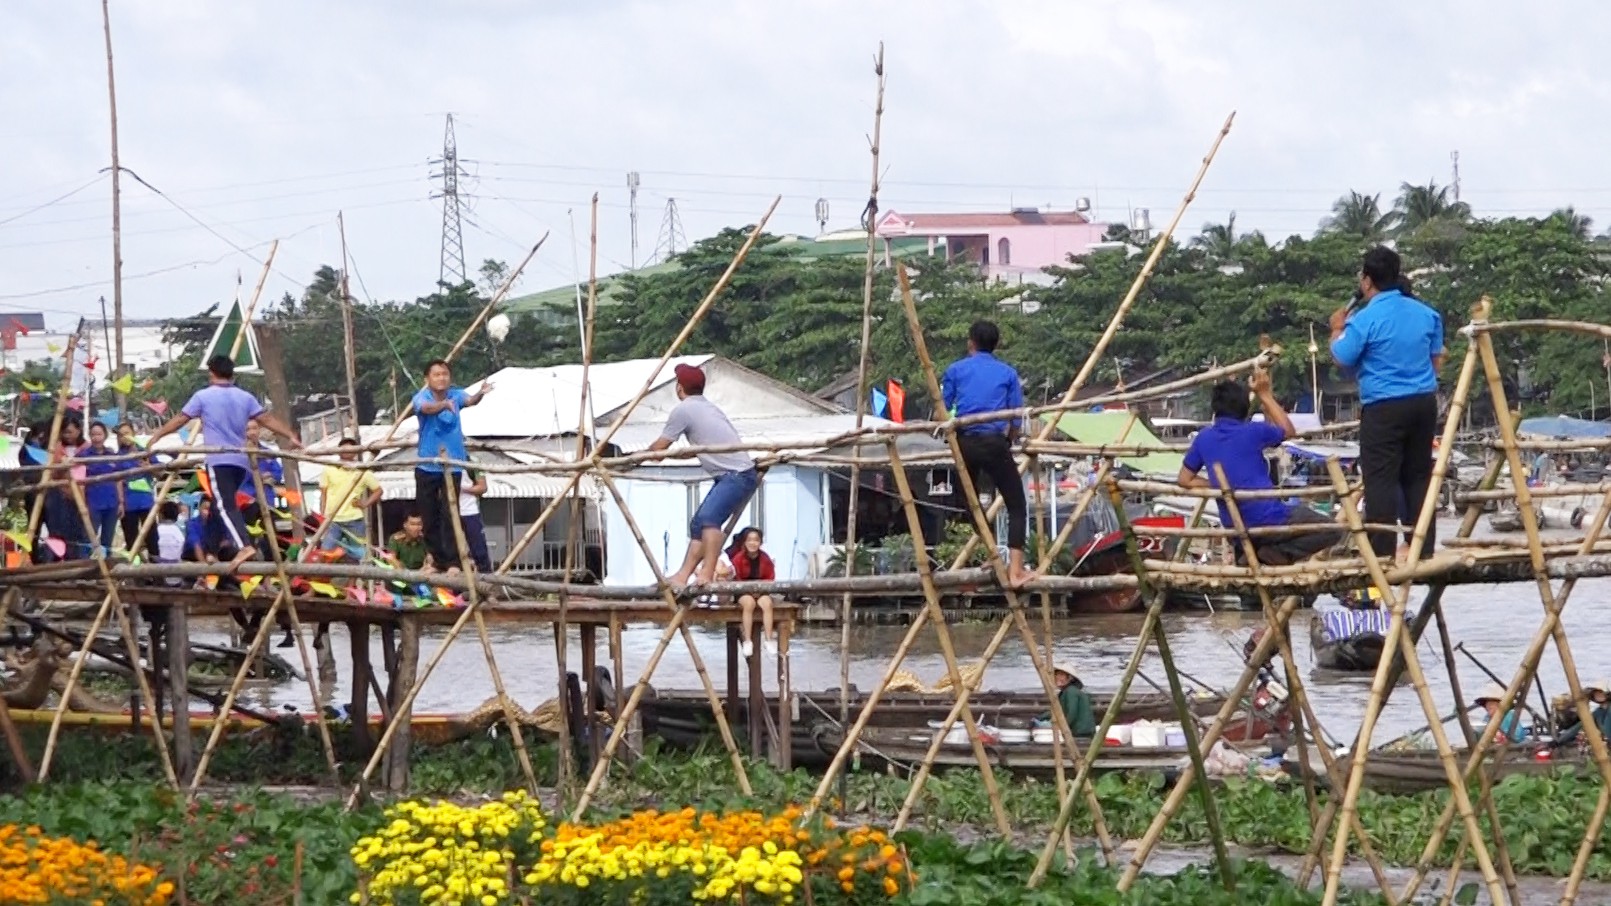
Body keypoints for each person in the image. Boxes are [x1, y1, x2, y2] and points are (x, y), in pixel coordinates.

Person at [1330, 246, 1444, 561]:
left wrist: (1337, 329)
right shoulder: (1427, 314)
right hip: (1422, 402)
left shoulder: (1365, 319)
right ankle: (1423, 545)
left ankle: (1382, 551)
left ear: (1367, 281)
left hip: (1384, 404)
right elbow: (1436, 360)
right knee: (1418, 474)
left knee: (1380, 478)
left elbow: (1342, 357)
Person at [147, 355, 302, 571]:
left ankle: (244, 545)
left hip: (219, 460)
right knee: (218, 505)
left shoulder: (203, 396)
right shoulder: (245, 397)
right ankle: (211, 550)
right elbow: (266, 419)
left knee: (224, 504)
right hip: (240, 463)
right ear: (232, 374)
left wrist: (158, 435)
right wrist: (290, 435)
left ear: (211, 373)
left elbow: (181, 419)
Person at [1178, 374, 1346, 565]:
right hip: (1270, 518)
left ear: (1215, 409)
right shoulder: (1253, 431)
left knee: (1253, 589)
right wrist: (1265, 395)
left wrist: (1220, 486)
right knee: (1333, 530)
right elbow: (1288, 430)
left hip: (1236, 528)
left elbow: (1185, 479)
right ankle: (1278, 553)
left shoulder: (1204, 437)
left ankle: (1259, 557)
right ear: (1244, 409)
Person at [941, 320, 1034, 587]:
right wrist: (1009, 439)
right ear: (996, 345)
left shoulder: (955, 370)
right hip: (994, 442)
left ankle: (993, 554)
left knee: (970, 502)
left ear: (971, 342)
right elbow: (1015, 418)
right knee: (1016, 504)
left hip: (965, 441)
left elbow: (944, 406)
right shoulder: (1007, 373)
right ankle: (1016, 570)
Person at [649, 363, 758, 588]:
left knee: (709, 521)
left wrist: (638, 456)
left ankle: (707, 573)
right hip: (734, 474)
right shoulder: (708, 407)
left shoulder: (684, 410)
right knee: (698, 524)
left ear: (680, 388)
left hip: (736, 474)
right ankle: (682, 576)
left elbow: (659, 450)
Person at [412, 359, 493, 573]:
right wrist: (443, 406)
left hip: (453, 466)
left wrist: (481, 393)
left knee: (451, 515)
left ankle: (454, 562)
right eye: (437, 374)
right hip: (428, 465)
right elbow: (427, 409)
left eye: (445, 374)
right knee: (429, 517)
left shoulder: (456, 395)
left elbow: (471, 400)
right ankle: (438, 560)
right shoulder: (422, 397)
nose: (441, 378)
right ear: (427, 379)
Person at [319, 437, 382, 563]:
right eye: (344, 449)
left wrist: (365, 504)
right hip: (333, 518)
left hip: (354, 518)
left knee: (356, 553)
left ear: (356, 452)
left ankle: (354, 581)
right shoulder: (329, 469)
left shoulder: (363, 471)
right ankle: (325, 578)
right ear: (338, 451)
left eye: (351, 449)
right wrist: (322, 515)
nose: (347, 452)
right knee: (326, 551)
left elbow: (378, 491)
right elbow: (323, 494)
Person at [41, 416, 90, 561]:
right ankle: (55, 563)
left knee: (77, 532)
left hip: (80, 496)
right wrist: (62, 467)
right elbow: (50, 472)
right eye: (64, 432)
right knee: (57, 531)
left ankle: (76, 562)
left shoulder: (86, 449)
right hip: (58, 494)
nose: (67, 435)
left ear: (79, 430)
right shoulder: (55, 448)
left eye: (70, 432)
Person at [726, 526, 777, 659]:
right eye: (749, 540)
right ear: (744, 542)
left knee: (767, 604)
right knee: (748, 604)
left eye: (756, 540)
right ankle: (748, 640)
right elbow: (736, 578)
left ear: (760, 542)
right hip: (743, 591)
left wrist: (760, 591)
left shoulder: (765, 559)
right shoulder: (738, 558)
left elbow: (770, 578)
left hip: (761, 591)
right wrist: (748, 590)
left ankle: (769, 638)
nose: (753, 543)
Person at [115, 422, 160, 562]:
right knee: (131, 540)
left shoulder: (145, 452)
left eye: (127, 433)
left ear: (133, 434)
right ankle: (136, 574)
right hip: (128, 504)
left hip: (146, 502)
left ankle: (156, 572)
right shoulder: (118, 457)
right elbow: (117, 481)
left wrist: (148, 466)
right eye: (121, 435)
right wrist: (120, 502)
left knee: (152, 538)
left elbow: (160, 473)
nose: (124, 437)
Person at [80, 422, 123, 557]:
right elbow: (79, 481)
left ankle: (107, 569)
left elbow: (118, 479)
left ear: (105, 435)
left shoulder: (112, 455)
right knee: (88, 539)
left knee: (107, 540)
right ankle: (84, 568)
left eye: (99, 434)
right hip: (92, 503)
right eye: (93, 434)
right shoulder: (83, 456)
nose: (96, 438)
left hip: (111, 503)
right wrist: (82, 503)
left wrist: (121, 502)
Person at [1039, 664, 1096, 738]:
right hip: (1079, 731)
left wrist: (1061, 728)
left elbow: (1071, 713)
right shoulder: (1066, 692)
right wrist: (1040, 718)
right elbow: (1057, 710)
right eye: (1056, 674)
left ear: (1070, 678)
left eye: (1061, 675)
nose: (1057, 677)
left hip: (1081, 733)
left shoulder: (1071, 692)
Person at [1554, 679, 1611, 748]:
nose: (1598, 695)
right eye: (1596, 693)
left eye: (1601, 693)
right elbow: (1580, 726)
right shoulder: (1598, 712)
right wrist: (1559, 741)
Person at [457, 469, 493, 573]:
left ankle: (486, 575)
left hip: (470, 511)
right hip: (450, 512)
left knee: (478, 548)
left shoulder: (471, 462)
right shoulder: (444, 463)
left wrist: (463, 489)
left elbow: (482, 487)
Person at [154, 501, 186, 587]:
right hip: (177, 577)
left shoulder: (155, 532)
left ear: (161, 515)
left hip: (158, 576)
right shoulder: (180, 533)